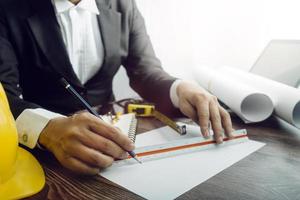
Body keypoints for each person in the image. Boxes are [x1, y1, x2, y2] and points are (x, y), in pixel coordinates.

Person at [0, 0, 233, 175]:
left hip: (113, 136)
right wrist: (48, 129)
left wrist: (180, 87)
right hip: (43, 156)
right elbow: (3, 95)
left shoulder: (124, 4)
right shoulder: (6, 7)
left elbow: (145, 72)